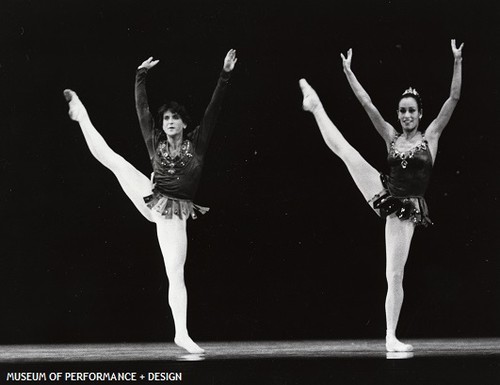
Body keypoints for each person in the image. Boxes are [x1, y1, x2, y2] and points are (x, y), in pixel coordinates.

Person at [64, 49, 237, 354]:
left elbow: (214, 110)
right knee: (114, 160)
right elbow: (142, 110)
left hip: (174, 215)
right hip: (153, 199)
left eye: (175, 118)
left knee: (175, 272)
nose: (169, 121)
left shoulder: (196, 143)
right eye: (166, 118)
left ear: (184, 123)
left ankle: (181, 333)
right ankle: (81, 115)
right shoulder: (154, 141)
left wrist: (224, 74)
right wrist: (139, 75)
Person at [299, 40, 463, 352]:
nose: (406, 115)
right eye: (402, 111)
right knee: (348, 153)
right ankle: (316, 106)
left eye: (411, 111)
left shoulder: (432, 136)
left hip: (406, 209)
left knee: (394, 274)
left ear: (420, 113)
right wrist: (349, 72)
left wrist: (457, 60)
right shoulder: (391, 136)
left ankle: (391, 335)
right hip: (385, 193)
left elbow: (453, 98)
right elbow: (367, 104)